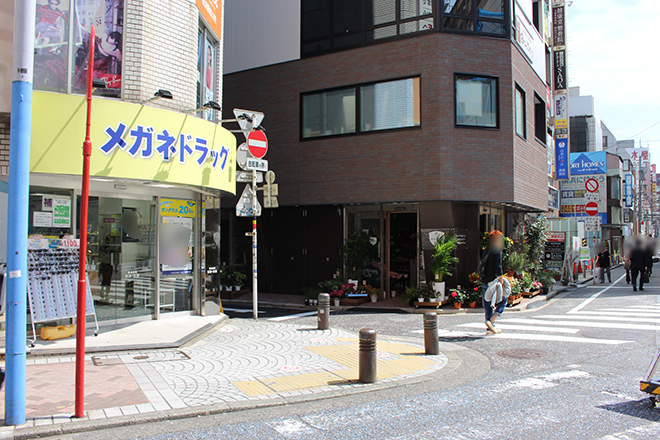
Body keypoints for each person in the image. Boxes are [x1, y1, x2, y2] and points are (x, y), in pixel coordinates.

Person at [480, 230, 506, 334]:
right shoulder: (497, 251)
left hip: (485, 280)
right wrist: (501, 279)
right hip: (494, 282)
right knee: (503, 300)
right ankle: (491, 321)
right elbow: (498, 267)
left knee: (488, 303)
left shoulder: (486, 250)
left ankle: (489, 326)